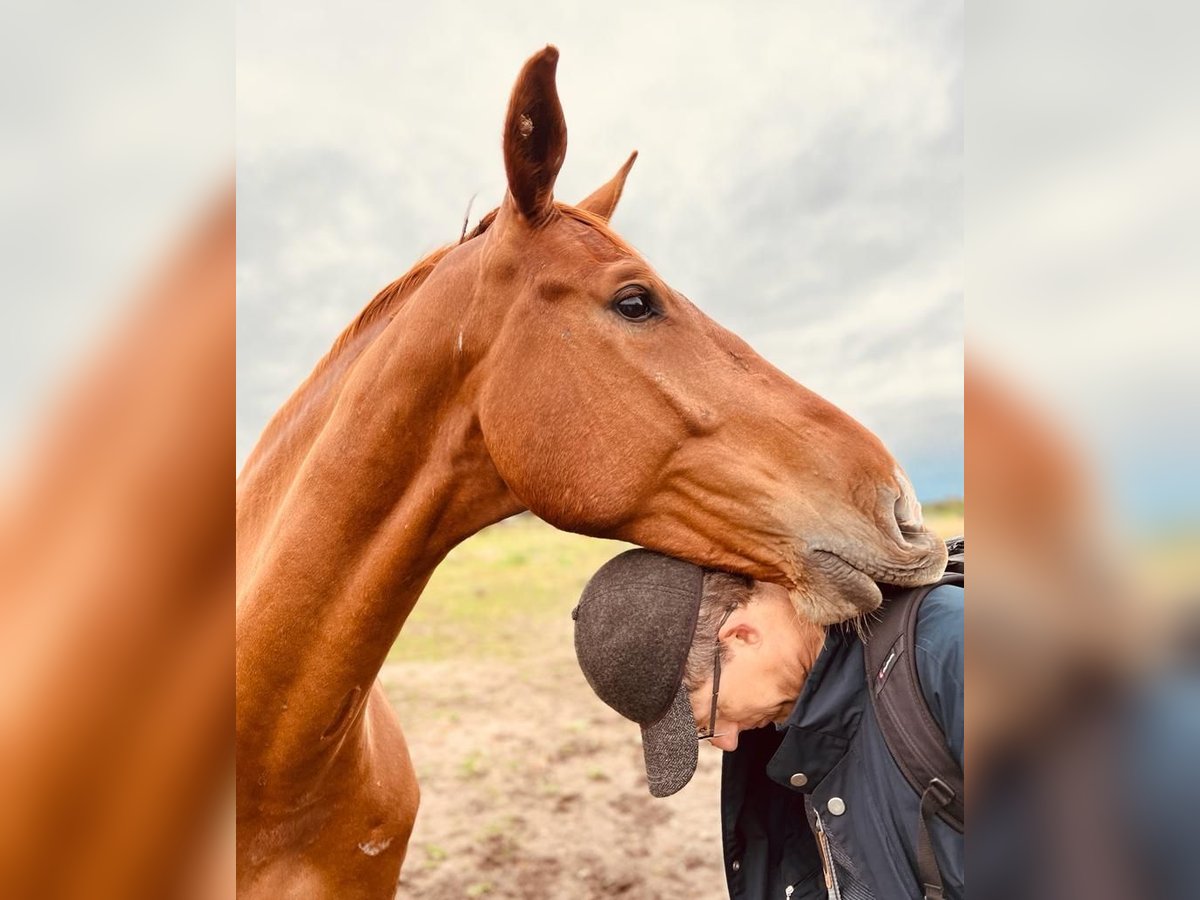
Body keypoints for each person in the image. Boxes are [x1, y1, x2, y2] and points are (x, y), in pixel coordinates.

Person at [572, 549, 964, 900]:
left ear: (741, 636)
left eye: (711, 718)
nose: (727, 743)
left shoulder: (952, 652)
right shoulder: (783, 725)